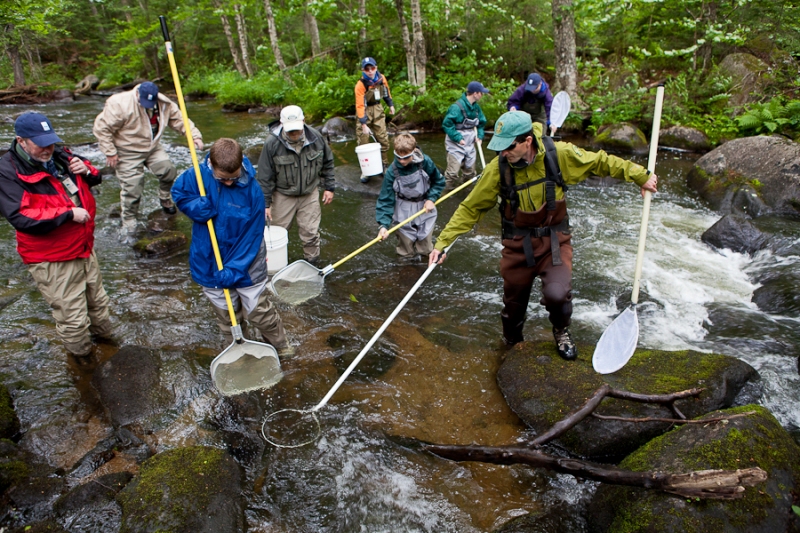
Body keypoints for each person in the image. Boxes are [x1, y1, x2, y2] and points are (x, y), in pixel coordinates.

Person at [429, 111, 658, 360]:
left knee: (557, 296)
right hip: (517, 246)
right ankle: (512, 343)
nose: (503, 152)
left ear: (527, 141)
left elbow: (600, 162)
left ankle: (561, 331)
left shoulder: (559, 155)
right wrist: (443, 243)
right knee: (513, 308)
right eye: (499, 147)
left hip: (554, 242)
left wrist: (639, 176)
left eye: (508, 147)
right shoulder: (498, 169)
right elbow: (470, 208)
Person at [0, 112, 113, 358]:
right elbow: (21, 216)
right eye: (41, 143)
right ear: (21, 141)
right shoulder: (6, 171)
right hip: (52, 258)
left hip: (83, 246)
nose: (48, 148)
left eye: (51, 141)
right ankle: (82, 362)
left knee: (99, 305)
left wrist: (87, 170)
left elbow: (96, 176)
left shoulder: (61, 155)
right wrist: (68, 214)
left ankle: (109, 345)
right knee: (73, 319)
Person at [172, 138, 291, 356]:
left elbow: (252, 237)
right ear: (212, 165)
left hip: (247, 262)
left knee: (259, 312)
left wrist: (235, 269)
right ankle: (239, 350)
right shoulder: (196, 176)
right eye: (222, 179)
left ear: (241, 166)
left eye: (233, 178)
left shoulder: (253, 191)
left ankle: (281, 347)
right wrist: (195, 207)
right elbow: (179, 195)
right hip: (209, 260)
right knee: (227, 316)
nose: (228, 183)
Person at [93, 81, 204, 240]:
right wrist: (110, 152)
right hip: (126, 150)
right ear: (137, 94)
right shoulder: (119, 104)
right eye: (145, 102)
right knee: (133, 186)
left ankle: (165, 198)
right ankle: (129, 218)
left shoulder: (163, 103)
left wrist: (194, 135)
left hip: (151, 147)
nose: (148, 106)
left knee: (168, 171)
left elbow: (179, 120)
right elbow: (101, 128)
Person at [256, 105, 335, 265]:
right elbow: (265, 176)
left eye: (297, 130)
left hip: (310, 193)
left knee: (311, 233)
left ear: (304, 122)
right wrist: (266, 204)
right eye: (290, 130)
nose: (294, 134)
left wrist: (329, 187)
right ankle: (274, 266)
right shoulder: (271, 143)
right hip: (282, 194)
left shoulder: (316, 138)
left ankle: (312, 263)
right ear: (281, 124)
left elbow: (328, 162)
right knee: (276, 234)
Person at [375, 133, 446, 260]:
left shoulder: (425, 162)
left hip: (425, 206)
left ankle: (426, 266)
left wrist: (431, 198)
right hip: (403, 209)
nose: (402, 161)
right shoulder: (392, 171)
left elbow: (439, 182)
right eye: (398, 157)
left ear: (413, 152)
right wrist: (383, 225)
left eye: (406, 157)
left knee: (426, 249)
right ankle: (406, 270)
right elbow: (386, 199)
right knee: (405, 251)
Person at [354, 56, 395, 183]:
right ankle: (365, 171)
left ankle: (384, 165)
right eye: (367, 69)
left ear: (376, 67)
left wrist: (391, 105)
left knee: (382, 137)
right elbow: (360, 105)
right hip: (364, 111)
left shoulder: (381, 79)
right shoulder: (360, 85)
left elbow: (386, 92)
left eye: (372, 68)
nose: (370, 71)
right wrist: (363, 123)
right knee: (363, 140)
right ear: (363, 70)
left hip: (377, 109)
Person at [442, 80, 489, 189]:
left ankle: (466, 192)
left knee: (470, 173)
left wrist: (480, 136)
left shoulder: (477, 108)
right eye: (481, 93)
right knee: (452, 174)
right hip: (456, 144)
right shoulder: (456, 107)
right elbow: (447, 125)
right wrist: (458, 138)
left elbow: (481, 124)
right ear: (475, 93)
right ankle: (445, 193)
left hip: (470, 143)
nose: (482, 95)